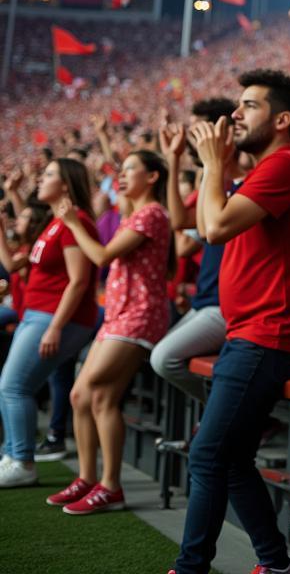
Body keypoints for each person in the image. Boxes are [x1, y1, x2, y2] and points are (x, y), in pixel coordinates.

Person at [170, 69, 290, 574]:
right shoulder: (265, 169)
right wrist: (218, 167)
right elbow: (197, 223)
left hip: (270, 337)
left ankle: (191, 568)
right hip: (253, 335)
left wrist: (216, 164)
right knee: (228, 457)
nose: (234, 114)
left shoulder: (288, 165)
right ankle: (277, 563)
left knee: (209, 453)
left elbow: (211, 228)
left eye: (249, 106)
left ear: (282, 120)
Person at [49, 150, 171, 513]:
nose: (121, 174)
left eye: (131, 168)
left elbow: (101, 257)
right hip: (118, 315)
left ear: (152, 177)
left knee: (91, 392)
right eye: (120, 169)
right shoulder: (132, 214)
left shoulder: (151, 213)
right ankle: (90, 480)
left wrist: (72, 223)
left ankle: (110, 484)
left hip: (138, 316)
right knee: (86, 397)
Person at [0, 160, 98, 488]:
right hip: (37, 314)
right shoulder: (56, 221)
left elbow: (79, 281)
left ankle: (23, 462)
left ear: (67, 185)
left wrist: (56, 327)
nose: (41, 178)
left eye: (50, 174)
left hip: (53, 316)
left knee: (14, 387)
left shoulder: (76, 221)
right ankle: (14, 455)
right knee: (10, 385)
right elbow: (14, 264)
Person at [150, 97, 243, 402]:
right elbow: (182, 222)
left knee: (163, 358)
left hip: (224, 303)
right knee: (160, 357)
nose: (190, 135)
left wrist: (210, 166)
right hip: (204, 299)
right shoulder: (210, 175)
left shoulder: (240, 178)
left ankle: (235, 411)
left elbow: (202, 232)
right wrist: (174, 158)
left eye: (197, 128)